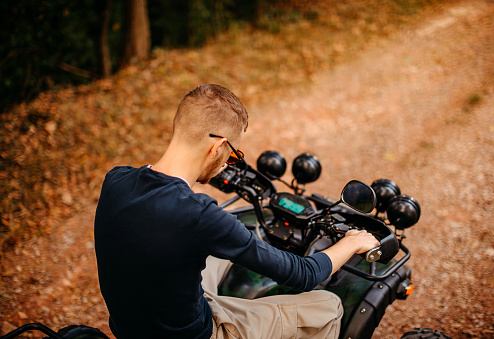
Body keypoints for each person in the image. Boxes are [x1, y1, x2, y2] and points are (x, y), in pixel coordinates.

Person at [94, 84, 380, 339]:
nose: (228, 165)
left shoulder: (116, 179)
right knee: (328, 307)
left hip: (133, 328)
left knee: (220, 258)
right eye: (233, 156)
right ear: (217, 147)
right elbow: (302, 274)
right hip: (198, 333)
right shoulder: (200, 215)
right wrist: (352, 241)